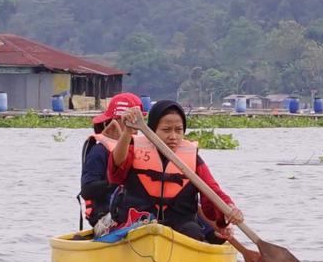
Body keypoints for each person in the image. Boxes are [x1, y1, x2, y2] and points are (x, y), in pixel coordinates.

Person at [107, 100, 244, 241]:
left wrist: (230, 208)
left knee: (193, 231)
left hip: (180, 223)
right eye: (166, 130)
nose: (173, 136)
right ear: (152, 130)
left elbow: (213, 190)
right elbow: (116, 167)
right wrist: (127, 132)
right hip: (137, 221)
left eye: (178, 130)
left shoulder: (193, 159)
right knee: (140, 230)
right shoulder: (132, 149)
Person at [79, 92, 141, 233]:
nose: (134, 127)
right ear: (115, 121)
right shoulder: (99, 151)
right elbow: (87, 190)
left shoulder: (139, 149)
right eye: (127, 120)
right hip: (104, 217)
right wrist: (116, 181)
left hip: (132, 213)